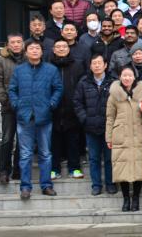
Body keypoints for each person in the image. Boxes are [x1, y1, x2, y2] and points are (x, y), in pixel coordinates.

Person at [7, 41, 62, 199]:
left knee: (45, 153)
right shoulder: (19, 70)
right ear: (26, 52)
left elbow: (58, 88)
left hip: (44, 117)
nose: (35, 51)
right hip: (24, 118)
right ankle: (25, 187)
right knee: (25, 155)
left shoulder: (51, 70)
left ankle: (46, 185)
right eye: (31, 48)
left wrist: (51, 104)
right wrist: (16, 104)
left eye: (37, 48)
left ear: (42, 52)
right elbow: (12, 90)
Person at [106, 64, 142, 211]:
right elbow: (110, 117)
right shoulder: (114, 95)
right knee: (122, 168)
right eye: (124, 75)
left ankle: (136, 198)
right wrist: (109, 137)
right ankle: (126, 199)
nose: (127, 78)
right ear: (120, 77)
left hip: (138, 134)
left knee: (139, 167)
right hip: (120, 135)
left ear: (134, 77)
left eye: (130, 75)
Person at [73, 55, 115, 196]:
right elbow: (77, 102)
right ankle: (96, 185)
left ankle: (110, 184)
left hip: (108, 128)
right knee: (94, 158)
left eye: (99, 63)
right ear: (90, 66)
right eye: (94, 63)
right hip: (90, 127)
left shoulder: (112, 82)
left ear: (105, 65)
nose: (97, 66)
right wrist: (85, 119)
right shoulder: (84, 82)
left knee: (109, 158)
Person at [49, 40, 85, 180]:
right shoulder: (48, 66)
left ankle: (74, 168)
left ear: (69, 49)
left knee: (73, 141)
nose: (61, 49)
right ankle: (54, 169)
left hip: (73, 109)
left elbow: (82, 85)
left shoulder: (77, 65)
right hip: (53, 109)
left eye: (64, 46)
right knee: (54, 142)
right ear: (53, 50)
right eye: (58, 47)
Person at [0, 34, 25, 184]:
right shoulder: (1, 60)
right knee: (7, 138)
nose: (16, 44)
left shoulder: (28, 59)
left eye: (19, 42)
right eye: (13, 42)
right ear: (8, 44)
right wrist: (4, 100)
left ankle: (18, 170)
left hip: (25, 106)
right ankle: (4, 170)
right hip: (9, 106)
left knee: (22, 139)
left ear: (23, 44)